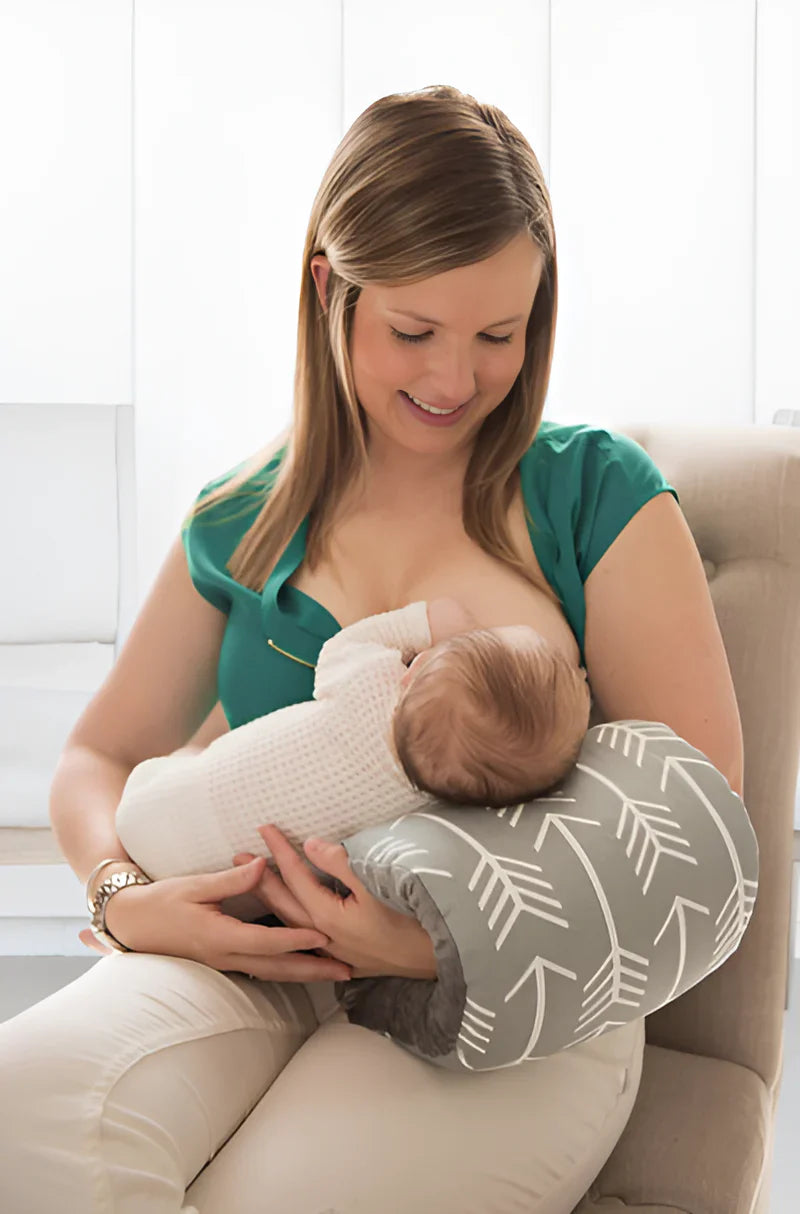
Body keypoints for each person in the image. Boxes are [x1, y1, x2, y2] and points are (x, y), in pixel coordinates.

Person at [0, 84, 743, 1213]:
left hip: (507, 985)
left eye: (498, 335)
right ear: (328, 291)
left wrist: (423, 941)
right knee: (24, 1111)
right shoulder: (240, 518)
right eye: (412, 332)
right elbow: (96, 758)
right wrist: (121, 894)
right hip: (260, 958)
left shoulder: (595, 495)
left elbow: (696, 817)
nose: (453, 380)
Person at [111, 595, 591, 892]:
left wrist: (424, 622)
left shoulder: (372, 688)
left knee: (189, 755)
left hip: (158, 806)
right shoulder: (426, 811)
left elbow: (342, 647)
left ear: (414, 670)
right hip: (217, 885)